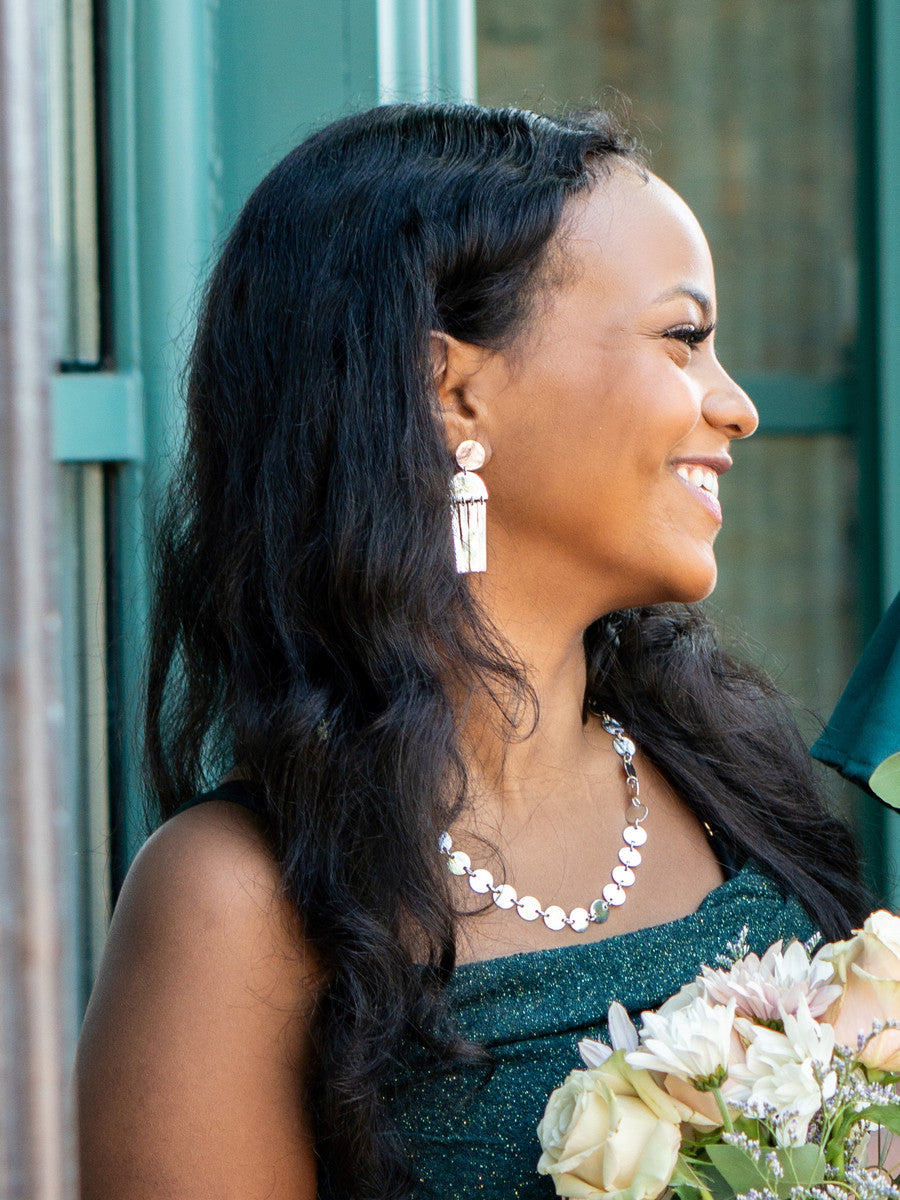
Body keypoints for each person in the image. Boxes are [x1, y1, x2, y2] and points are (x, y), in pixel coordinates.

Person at [75, 103, 869, 1200]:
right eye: (685, 338)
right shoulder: (235, 901)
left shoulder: (735, 778)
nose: (734, 406)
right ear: (453, 389)